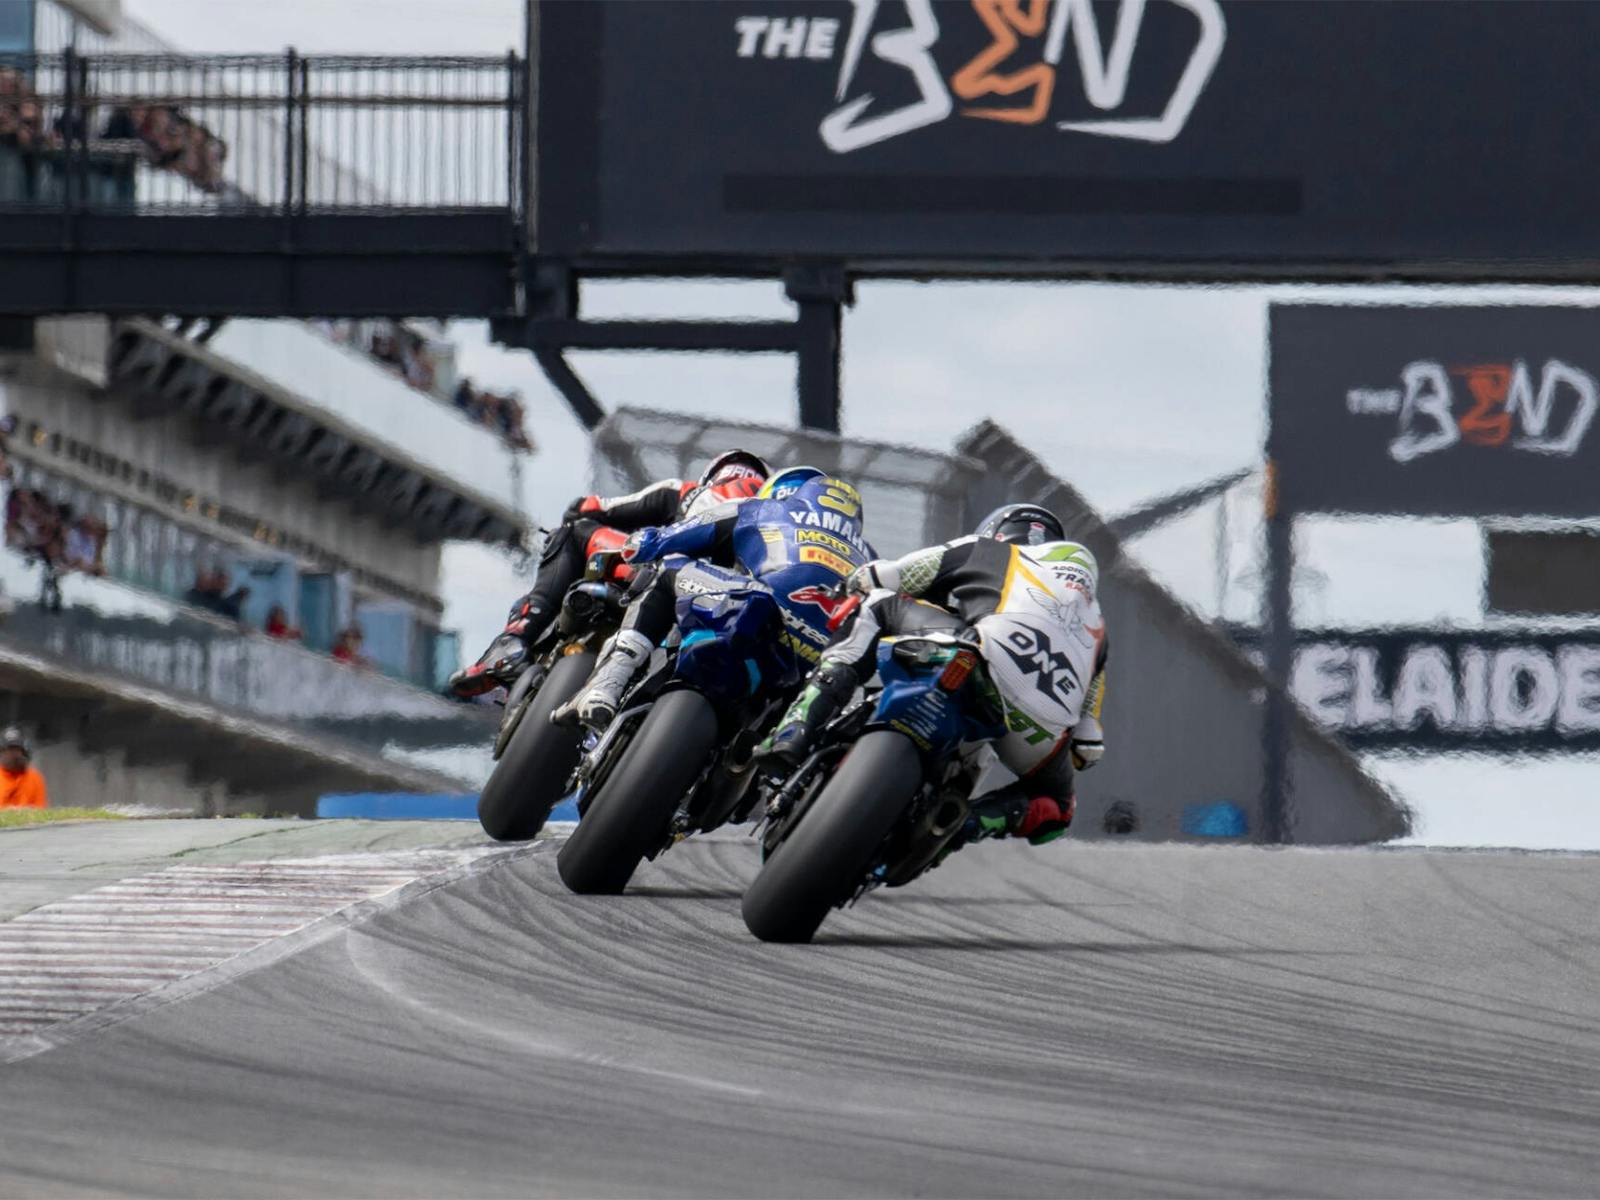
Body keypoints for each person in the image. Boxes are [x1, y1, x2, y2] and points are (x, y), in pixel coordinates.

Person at [757, 503, 1108, 848]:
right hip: (1037, 731)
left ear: (998, 533)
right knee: (1059, 809)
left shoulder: (988, 549)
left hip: (981, 653)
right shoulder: (1097, 627)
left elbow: (887, 577)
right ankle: (964, 825)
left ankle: (798, 726)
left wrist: (855, 583)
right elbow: (1088, 744)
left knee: (877, 603)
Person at [554, 465, 869, 731]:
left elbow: (669, 539)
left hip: (759, 609)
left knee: (667, 568)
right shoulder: (868, 558)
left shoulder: (763, 508)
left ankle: (607, 683)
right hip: (819, 656)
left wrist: (644, 543)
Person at [448, 449, 772, 697]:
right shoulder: (773, 520)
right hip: (719, 608)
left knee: (575, 532)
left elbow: (589, 507)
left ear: (711, 476)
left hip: (650, 573)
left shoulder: (685, 491)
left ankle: (514, 641)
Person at [0, 727, 47, 810]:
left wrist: (25, 811)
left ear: (24, 752)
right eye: (9, 750)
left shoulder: (35, 778)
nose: (13, 754)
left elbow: (41, 810)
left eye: (17, 749)